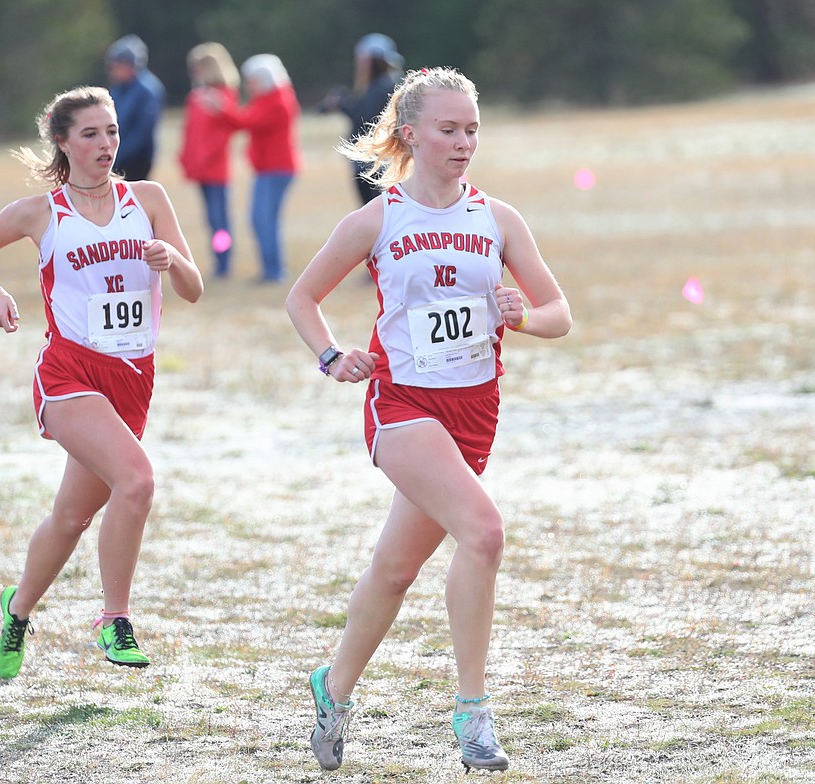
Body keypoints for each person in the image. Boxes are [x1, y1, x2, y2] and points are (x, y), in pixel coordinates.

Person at [285, 67, 571, 773]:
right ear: (410, 134)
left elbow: (561, 315)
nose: (464, 141)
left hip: (475, 411)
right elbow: (302, 297)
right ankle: (473, 715)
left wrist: (524, 318)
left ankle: (334, 687)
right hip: (402, 405)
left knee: (394, 569)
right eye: (449, 129)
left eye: (472, 128)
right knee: (484, 532)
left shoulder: (498, 219)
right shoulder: (377, 219)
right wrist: (330, 356)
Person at [0, 85, 203, 679]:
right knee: (137, 481)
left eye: (112, 132)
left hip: (133, 379)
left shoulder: (149, 198)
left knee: (70, 517)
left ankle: (16, 611)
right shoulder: (41, 212)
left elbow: (193, 289)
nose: (106, 144)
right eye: (90, 134)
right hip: (69, 374)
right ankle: (115, 619)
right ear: (62, 142)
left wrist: (172, 260)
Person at [211, 53, 300, 283]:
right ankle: (271, 269)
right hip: (268, 169)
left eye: (251, 80)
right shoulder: (267, 98)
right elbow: (244, 121)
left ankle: (274, 271)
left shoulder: (279, 101)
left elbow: (248, 122)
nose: (248, 86)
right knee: (262, 219)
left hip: (276, 169)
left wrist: (221, 108)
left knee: (263, 219)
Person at [319, 33, 405, 206]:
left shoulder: (380, 86)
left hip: (373, 159)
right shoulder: (384, 84)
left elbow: (367, 119)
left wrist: (343, 105)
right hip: (374, 157)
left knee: (373, 210)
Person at [178, 43, 240, 278]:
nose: (194, 71)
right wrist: (185, 157)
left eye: (199, 66)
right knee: (210, 218)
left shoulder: (223, 95)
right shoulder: (196, 96)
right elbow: (190, 130)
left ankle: (224, 261)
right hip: (199, 168)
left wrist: (205, 156)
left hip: (216, 168)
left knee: (219, 218)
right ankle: (218, 258)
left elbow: (226, 131)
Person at [106, 35, 166, 180]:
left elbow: (142, 132)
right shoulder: (119, 88)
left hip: (137, 161)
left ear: (130, 65)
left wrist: (118, 155)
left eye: (117, 65)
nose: (113, 70)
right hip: (116, 157)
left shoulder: (148, 90)